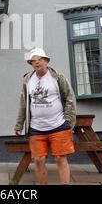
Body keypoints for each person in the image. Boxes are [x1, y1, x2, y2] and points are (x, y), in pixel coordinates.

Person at [14, 48, 77, 184]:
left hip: (59, 125)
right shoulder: (27, 80)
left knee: (60, 158)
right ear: (31, 64)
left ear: (46, 61)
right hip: (36, 127)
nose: (37, 63)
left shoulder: (58, 77)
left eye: (40, 59)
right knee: (38, 160)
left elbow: (70, 98)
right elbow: (23, 103)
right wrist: (19, 124)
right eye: (33, 61)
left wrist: (68, 122)